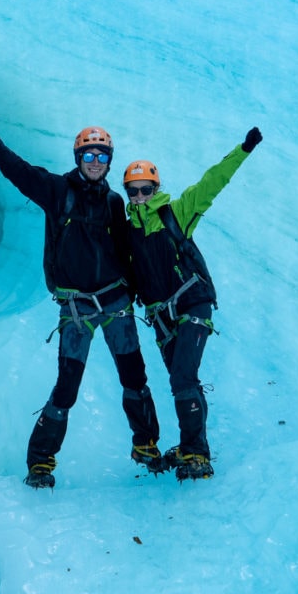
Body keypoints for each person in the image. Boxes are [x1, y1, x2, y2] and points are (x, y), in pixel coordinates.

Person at [0, 100, 163, 489]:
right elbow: (11, 166)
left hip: (116, 303)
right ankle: (40, 463)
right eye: (89, 153)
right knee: (66, 388)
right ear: (78, 155)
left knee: (134, 377)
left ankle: (147, 445)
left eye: (102, 154)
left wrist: (146, 295)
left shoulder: (114, 202)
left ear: (109, 160)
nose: (95, 161)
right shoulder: (56, 191)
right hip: (77, 310)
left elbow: (127, 252)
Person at [121, 126, 263, 482]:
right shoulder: (127, 232)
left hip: (193, 304)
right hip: (161, 318)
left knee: (183, 376)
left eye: (146, 189)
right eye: (133, 191)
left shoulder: (176, 213)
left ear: (156, 188)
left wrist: (242, 150)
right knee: (182, 380)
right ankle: (192, 447)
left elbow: (212, 183)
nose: (139, 196)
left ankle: (197, 454)